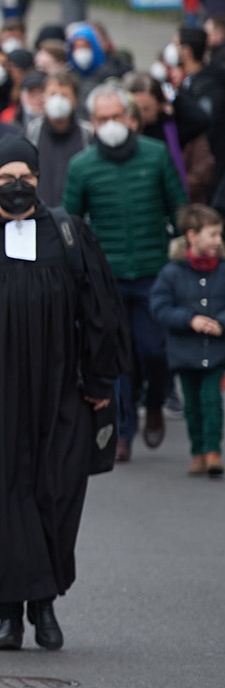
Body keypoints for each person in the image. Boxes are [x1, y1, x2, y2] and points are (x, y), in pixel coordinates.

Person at [0, 136, 124, 652]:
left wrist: (100, 379)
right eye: (5, 178)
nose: (16, 187)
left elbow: (101, 310)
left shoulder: (67, 233)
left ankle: (46, 600)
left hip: (59, 391)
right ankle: (12, 614)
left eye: (27, 177)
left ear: (39, 180)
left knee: (56, 494)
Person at [64, 82, 186, 460]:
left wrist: (185, 252)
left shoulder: (156, 155)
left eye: (117, 117)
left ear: (130, 118)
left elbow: (178, 208)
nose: (111, 124)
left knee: (154, 350)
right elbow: (71, 222)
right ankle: (123, 428)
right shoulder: (81, 166)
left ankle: (153, 403)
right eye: (103, 118)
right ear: (93, 122)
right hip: (107, 278)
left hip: (154, 272)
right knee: (118, 358)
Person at [152, 204, 225, 479]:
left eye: (220, 235)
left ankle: (212, 452)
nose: (218, 241)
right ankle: (196, 452)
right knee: (192, 405)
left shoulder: (222, 270)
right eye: (213, 234)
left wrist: (220, 321)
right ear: (192, 236)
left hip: (215, 351)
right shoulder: (172, 273)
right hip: (184, 352)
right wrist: (189, 319)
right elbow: (159, 306)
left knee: (211, 401)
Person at [24, 72, 88, 207]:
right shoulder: (32, 131)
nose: (58, 100)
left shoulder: (87, 133)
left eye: (64, 95)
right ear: (44, 97)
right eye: (53, 94)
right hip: (40, 212)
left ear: (75, 99)